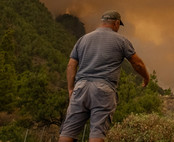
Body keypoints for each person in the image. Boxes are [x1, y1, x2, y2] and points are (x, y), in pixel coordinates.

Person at [58, 11, 150, 142]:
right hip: (103, 89)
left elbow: (71, 65)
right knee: (97, 133)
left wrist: (70, 89)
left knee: (68, 132)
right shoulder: (121, 41)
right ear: (116, 23)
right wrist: (146, 77)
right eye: (119, 25)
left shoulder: (83, 39)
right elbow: (138, 64)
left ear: (102, 22)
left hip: (80, 88)